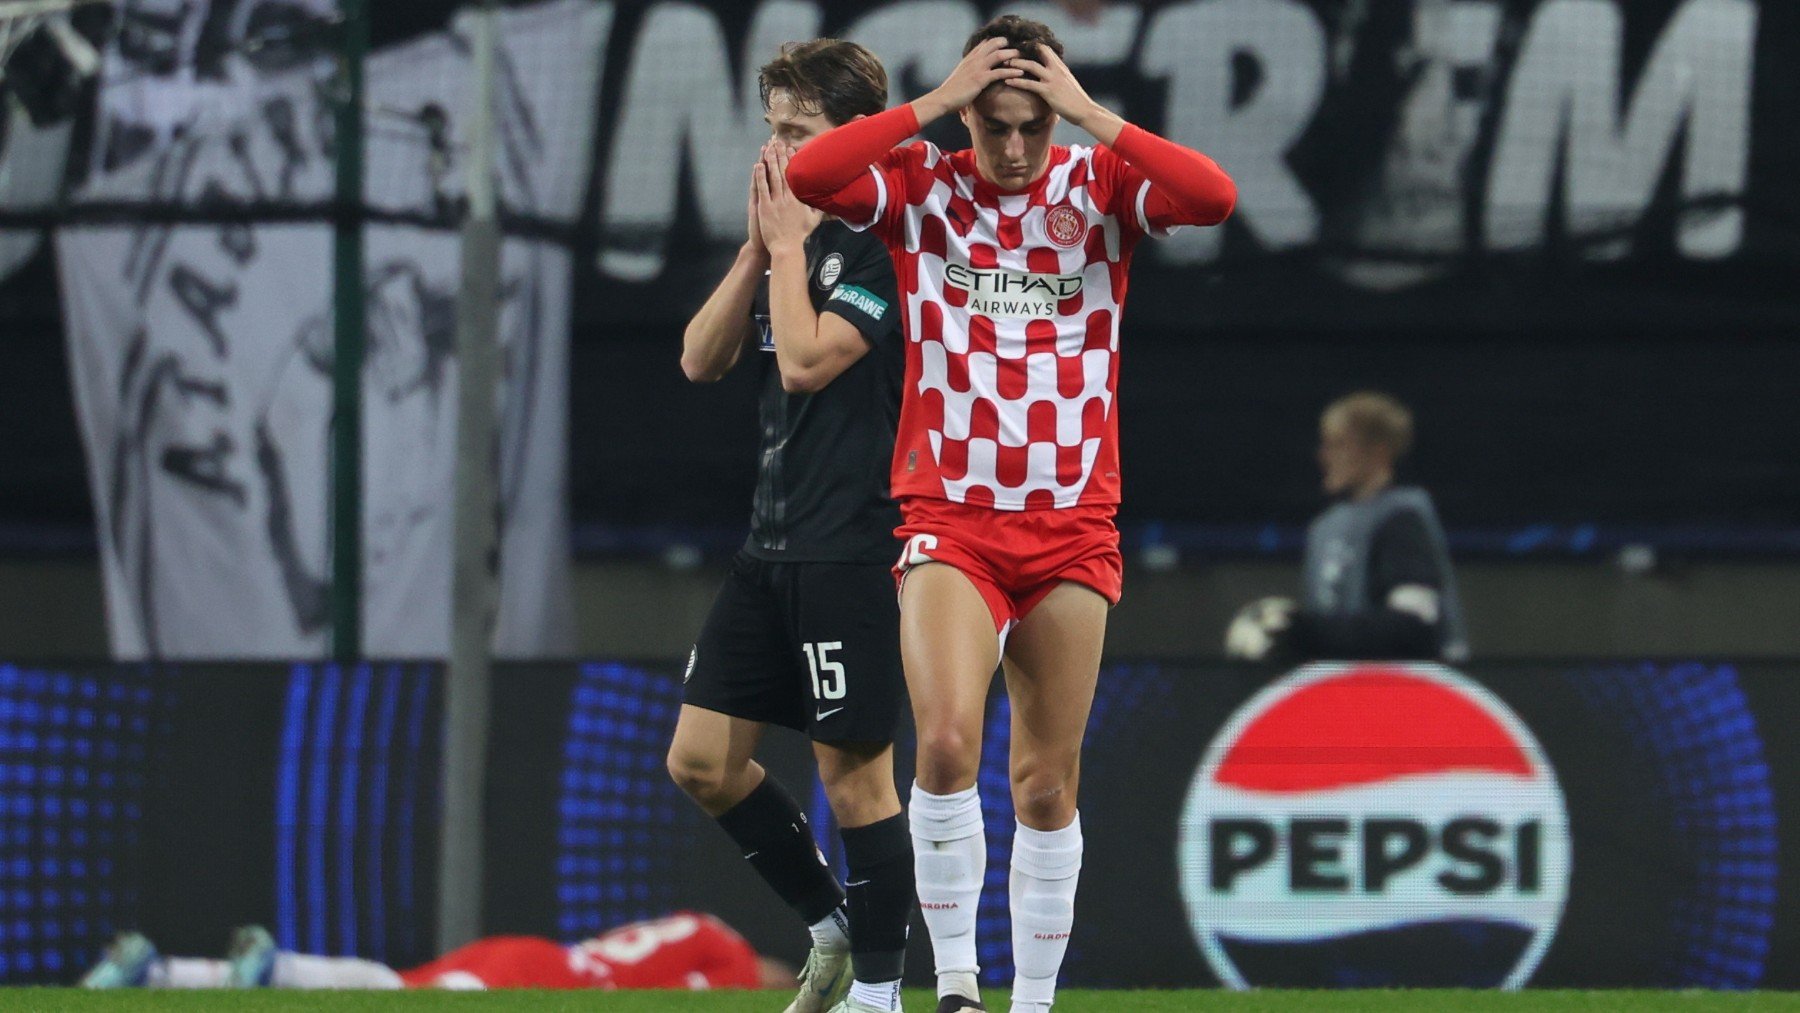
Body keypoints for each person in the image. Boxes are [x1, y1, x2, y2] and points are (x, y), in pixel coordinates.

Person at [786, 16, 1235, 1013]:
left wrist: (1091, 114)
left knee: (1044, 779)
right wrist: (933, 105)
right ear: (970, 118)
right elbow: (815, 177)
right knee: (945, 740)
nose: (1019, 147)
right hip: (953, 515)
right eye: (997, 126)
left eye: (1034, 124)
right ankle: (957, 985)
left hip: (1075, 522)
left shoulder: (1101, 185)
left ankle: (1034, 1001)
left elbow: (1214, 195)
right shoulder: (921, 184)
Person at [667, 38, 913, 1013]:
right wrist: (756, 249)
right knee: (701, 761)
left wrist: (788, 248)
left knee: (855, 779)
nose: (777, 151)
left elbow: (808, 362)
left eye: (798, 132)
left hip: (850, 543)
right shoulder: (786, 238)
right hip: (769, 547)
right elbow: (700, 357)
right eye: (771, 130)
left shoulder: (890, 243)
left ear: (855, 139)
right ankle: (831, 925)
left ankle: (881, 995)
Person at [1225, 391, 1469, 664]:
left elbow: (1413, 627)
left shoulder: (1401, 519)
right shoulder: (1325, 528)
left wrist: (1303, 632)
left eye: (1338, 444)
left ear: (1378, 451)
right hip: (1344, 688)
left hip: (1403, 691)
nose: (1324, 456)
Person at [79, 912, 791, 990]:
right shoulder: (731, 975)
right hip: (539, 985)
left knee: (399, 983)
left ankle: (164, 969)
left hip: (527, 953)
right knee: (397, 995)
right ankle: (278, 968)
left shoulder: (704, 926)